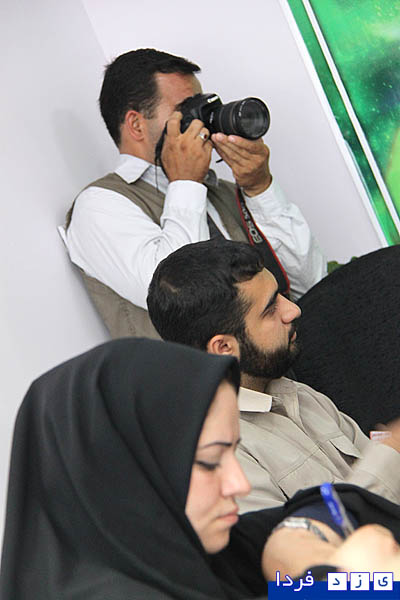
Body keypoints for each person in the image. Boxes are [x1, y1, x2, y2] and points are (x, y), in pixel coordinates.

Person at [2, 337, 400, 599]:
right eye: (210, 461)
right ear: (121, 478)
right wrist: (348, 582)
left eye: (233, 453)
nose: (239, 483)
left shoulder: (188, 552)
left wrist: (299, 536)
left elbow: (330, 506)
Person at [59, 48, 327, 339]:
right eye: (187, 109)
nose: (203, 123)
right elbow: (182, 295)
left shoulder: (223, 193)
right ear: (136, 124)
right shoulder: (99, 206)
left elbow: (312, 285)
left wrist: (260, 188)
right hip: (204, 371)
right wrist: (186, 182)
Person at [147, 239, 400, 512]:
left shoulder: (293, 392)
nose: (293, 310)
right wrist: (391, 450)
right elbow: (317, 538)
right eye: (270, 309)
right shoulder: (217, 459)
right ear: (223, 348)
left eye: (280, 296)